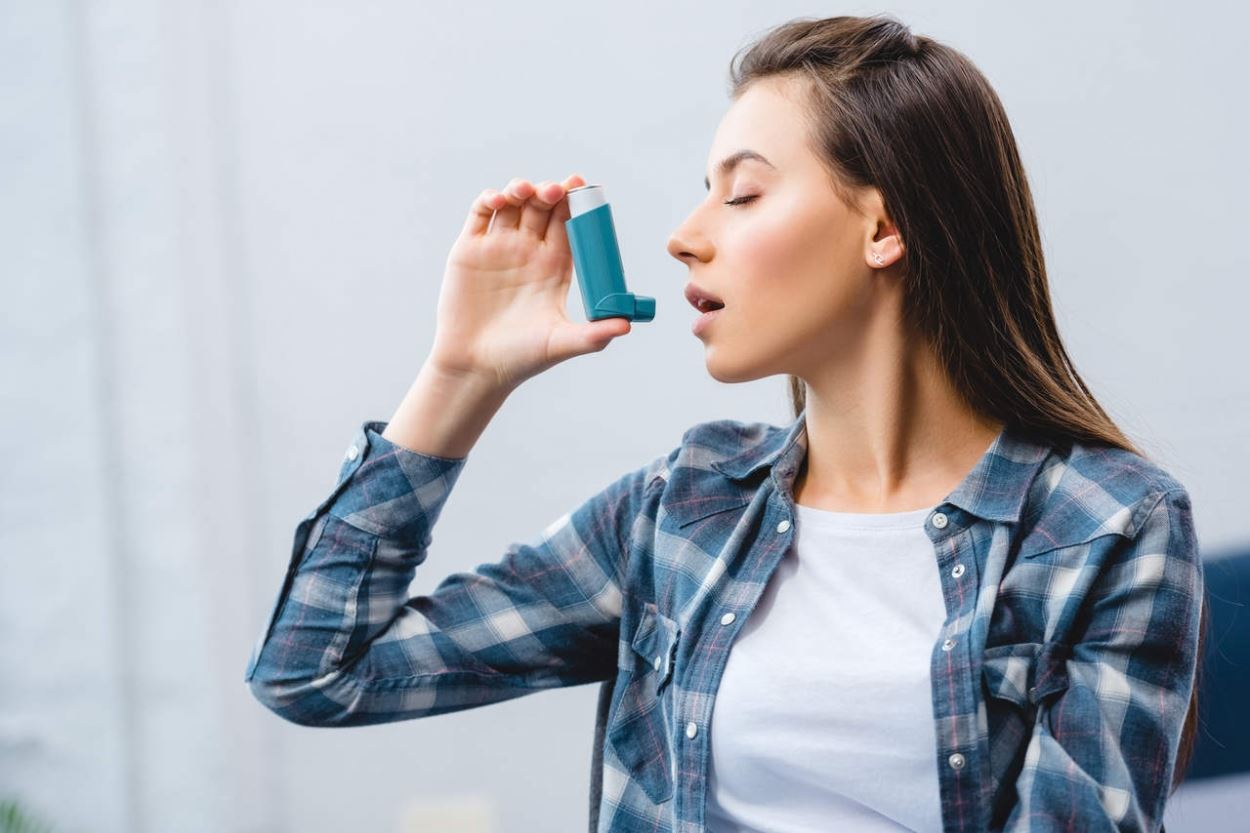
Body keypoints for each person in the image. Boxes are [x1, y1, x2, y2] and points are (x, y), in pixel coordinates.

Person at [244, 13, 1207, 833]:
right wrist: (463, 373)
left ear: (883, 227)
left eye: (741, 191)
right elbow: (317, 672)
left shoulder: (1107, 525)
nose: (686, 233)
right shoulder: (684, 508)